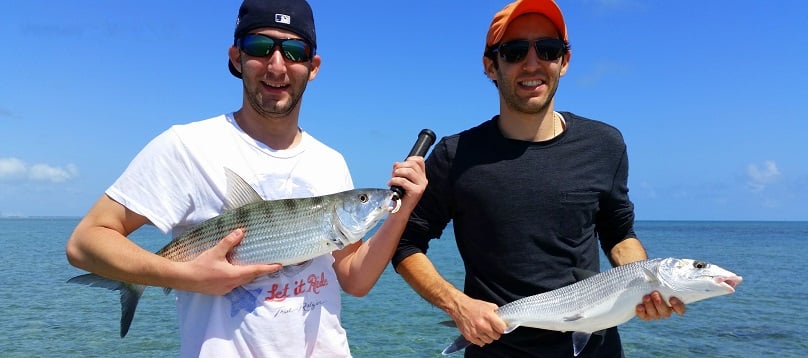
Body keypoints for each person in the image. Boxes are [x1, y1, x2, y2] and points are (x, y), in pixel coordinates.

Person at [65, 0, 426, 356]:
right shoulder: (186, 146)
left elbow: (356, 279)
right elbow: (85, 243)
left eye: (294, 51)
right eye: (259, 47)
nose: (277, 65)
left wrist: (402, 210)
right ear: (236, 57)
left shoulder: (331, 161)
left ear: (313, 66)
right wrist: (186, 276)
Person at [392, 0, 685, 356]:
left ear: (564, 61)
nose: (532, 63)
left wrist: (645, 286)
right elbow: (406, 243)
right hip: (495, 348)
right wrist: (457, 305)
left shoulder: (604, 144)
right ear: (491, 66)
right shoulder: (456, 156)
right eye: (515, 51)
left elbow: (618, 232)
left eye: (547, 49)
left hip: (596, 348)